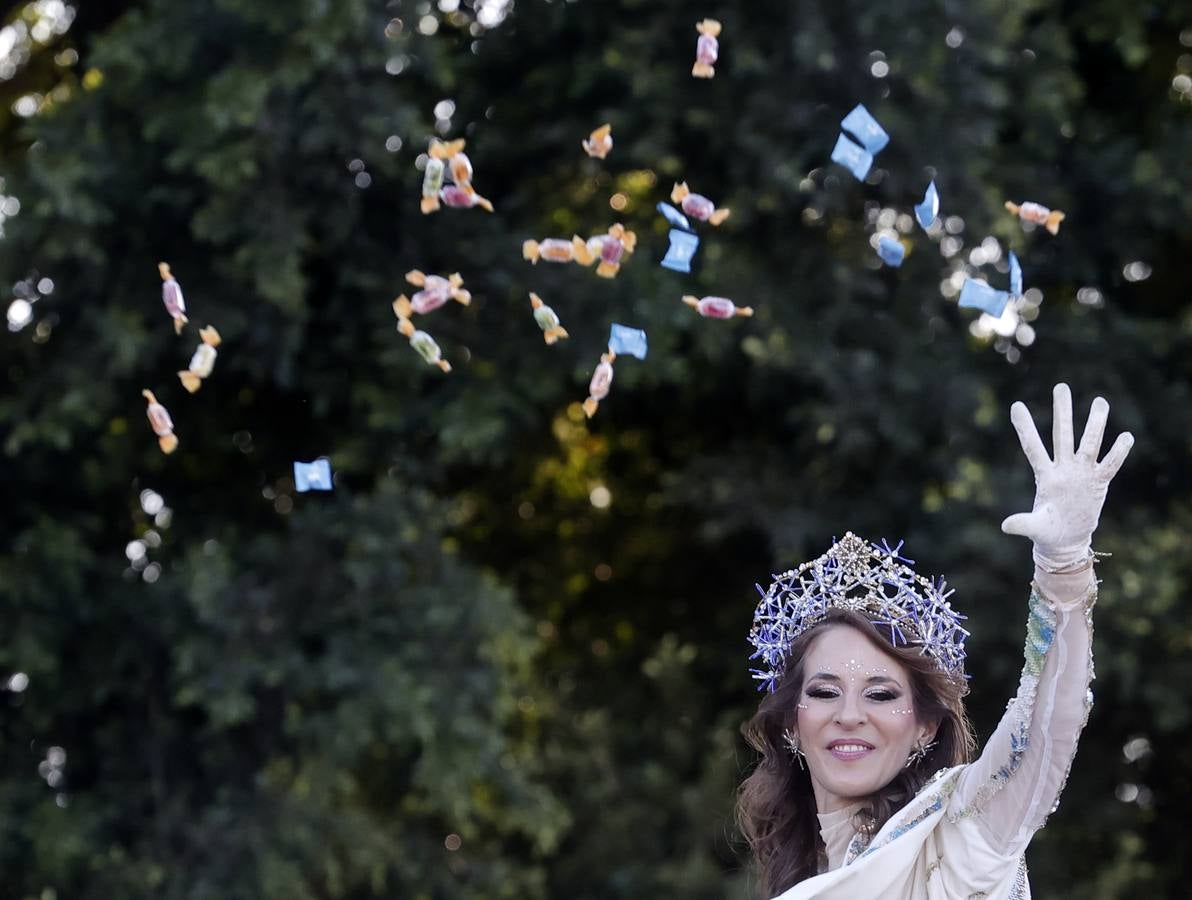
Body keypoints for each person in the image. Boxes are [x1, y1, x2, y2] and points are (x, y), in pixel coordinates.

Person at [736, 384, 1135, 899]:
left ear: (925, 726)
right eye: (824, 691)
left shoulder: (962, 835)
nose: (849, 714)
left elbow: (1046, 729)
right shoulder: (797, 884)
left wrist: (1063, 567)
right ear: (793, 720)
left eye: (880, 693)